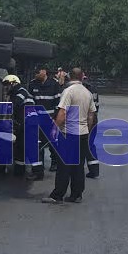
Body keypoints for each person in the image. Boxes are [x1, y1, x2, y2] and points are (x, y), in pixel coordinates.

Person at [41, 67, 97, 204]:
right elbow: (91, 116)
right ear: (82, 76)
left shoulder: (68, 91)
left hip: (69, 133)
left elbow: (62, 113)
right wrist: (87, 130)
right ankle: (76, 195)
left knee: (64, 166)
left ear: (70, 77)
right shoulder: (87, 93)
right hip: (82, 134)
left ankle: (57, 195)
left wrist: (54, 128)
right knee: (78, 166)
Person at [3, 74, 44, 181]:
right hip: (23, 124)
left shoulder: (21, 92)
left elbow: (13, 105)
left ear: (14, 83)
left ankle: (38, 173)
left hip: (30, 124)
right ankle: (19, 169)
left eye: (7, 84)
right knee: (20, 147)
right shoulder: (16, 92)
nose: (6, 87)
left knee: (31, 147)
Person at [28, 66, 62, 172]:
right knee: (38, 143)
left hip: (50, 119)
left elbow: (58, 103)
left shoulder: (54, 84)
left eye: (37, 72)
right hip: (37, 120)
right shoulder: (32, 84)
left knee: (53, 142)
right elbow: (30, 102)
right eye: (35, 73)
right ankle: (39, 165)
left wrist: (56, 119)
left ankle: (55, 163)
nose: (36, 75)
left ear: (44, 71)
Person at [81, 73, 100, 179]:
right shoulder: (93, 88)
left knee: (80, 144)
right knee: (90, 145)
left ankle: (75, 168)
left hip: (84, 120)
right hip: (93, 120)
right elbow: (96, 107)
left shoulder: (83, 89)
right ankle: (94, 170)